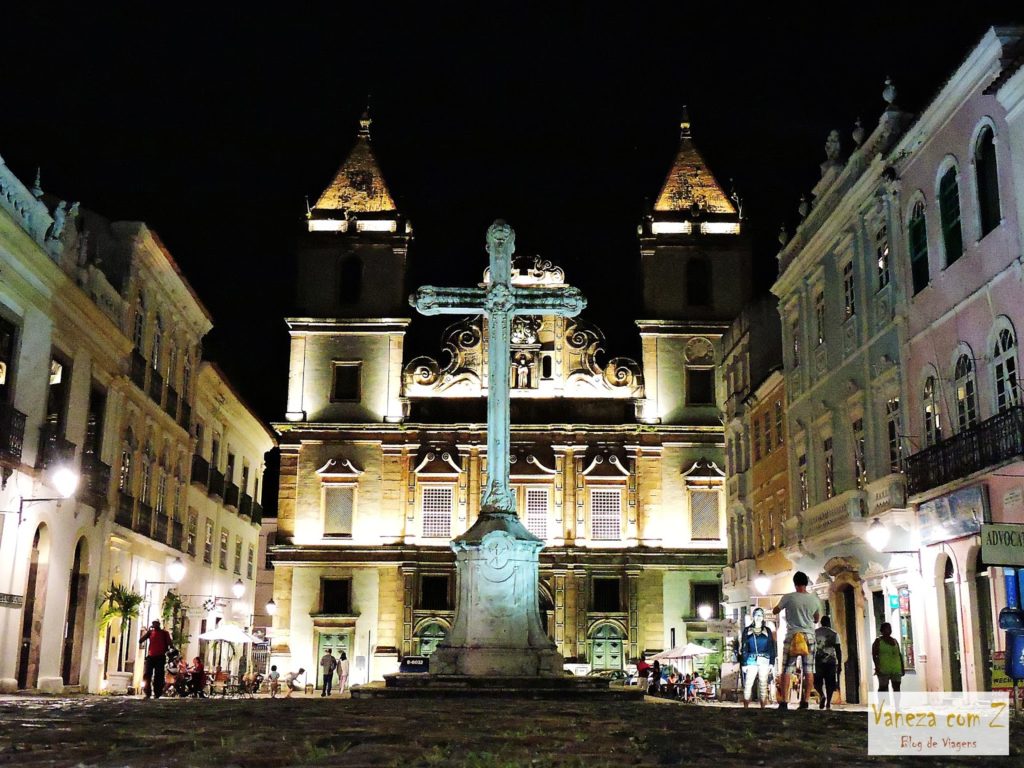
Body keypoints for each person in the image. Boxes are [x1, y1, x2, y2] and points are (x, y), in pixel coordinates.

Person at [773, 571, 822, 710]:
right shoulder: (814, 599)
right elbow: (817, 618)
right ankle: (805, 701)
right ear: (806, 583)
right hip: (809, 636)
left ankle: (784, 701)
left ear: (794, 583)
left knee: (787, 669)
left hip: (793, 636)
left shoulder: (788, 597)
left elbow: (776, 611)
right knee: (809, 670)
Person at [739, 607, 776, 709]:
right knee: (748, 683)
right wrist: (744, 663)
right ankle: (746, 705)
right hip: (751, 660)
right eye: (756, 615)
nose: (758, 617)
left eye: (760, 615)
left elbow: (771, 646)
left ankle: (763, 706)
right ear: (753, 617)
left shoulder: (767, 631)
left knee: (763, 684)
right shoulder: (747, 630)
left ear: (763, 617)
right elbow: (744, 647)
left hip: (764, 660)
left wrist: (772, 662)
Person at [872, 622, 905, 706]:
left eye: (890, 628)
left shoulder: (895, 641)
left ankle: (897, 706)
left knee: (897, 688)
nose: (889, 630)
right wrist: (877, 666)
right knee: (883, 688)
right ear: (882, 630)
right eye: (886, 628)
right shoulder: (878, 641)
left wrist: (902, 667)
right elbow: (874, 654)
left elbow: (899, 654)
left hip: (896, 668)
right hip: (883, 668)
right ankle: (883, 705)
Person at [138, 619, 173, 699]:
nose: (155, 625)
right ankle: (148, 692)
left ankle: (157, 692)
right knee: (147, 675)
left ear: (159, 624)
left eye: (156, 624)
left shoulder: (164, 633)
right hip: (151, 656)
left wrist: (170, 651)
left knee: (159, 675)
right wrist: (147, 633)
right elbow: (141, 640)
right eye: (153, 624)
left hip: (160, 657)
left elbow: (170, 644)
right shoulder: (150, 633)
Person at [814, 615, 842, 709]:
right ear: (829, 623)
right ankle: (828, 703)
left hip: (818, 661)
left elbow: (811, 648)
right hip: (831, 662)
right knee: (830, 683)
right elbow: (838, 650)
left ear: (821, 623)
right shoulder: (834, 634)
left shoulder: (815, 633)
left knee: (817, 682)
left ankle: (822, 695)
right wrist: (840, 664)